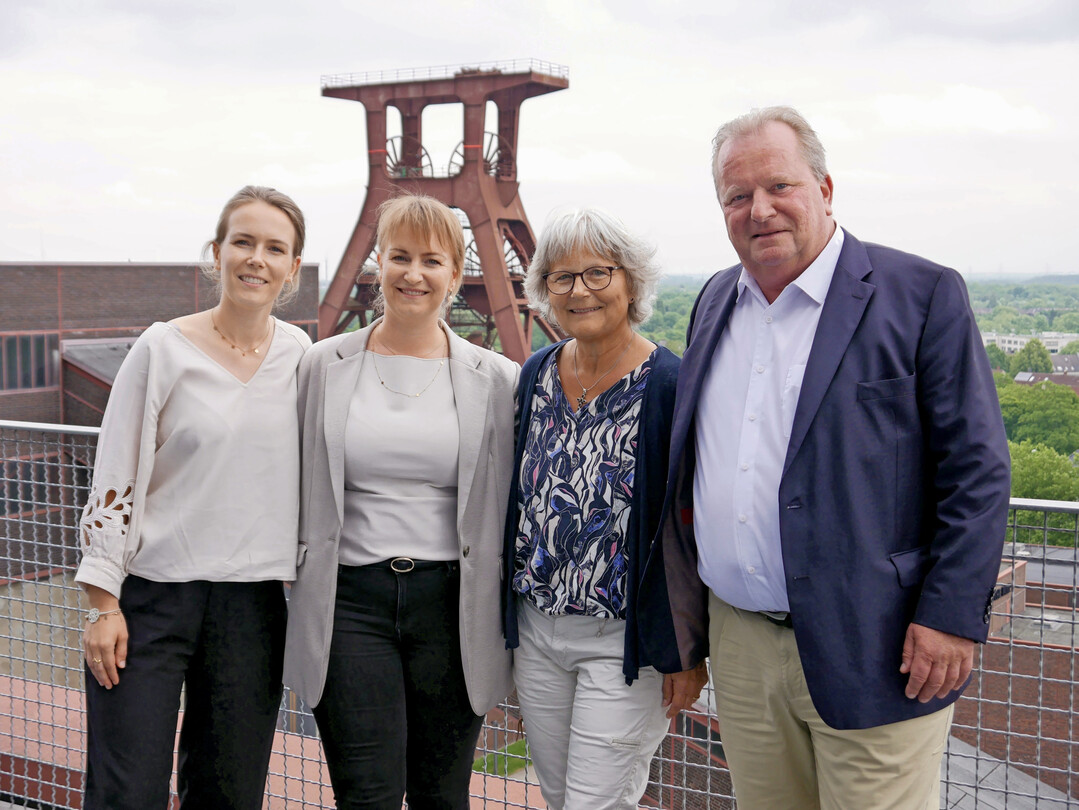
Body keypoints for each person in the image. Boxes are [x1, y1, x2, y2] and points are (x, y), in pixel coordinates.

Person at [640, 106, 1011, 809]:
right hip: (742, 644)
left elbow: (977, 470)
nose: (759, 210)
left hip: (879, 642)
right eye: (736, 196)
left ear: (825, 188)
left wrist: (952, 615)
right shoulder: (715, 299)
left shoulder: (921, 294)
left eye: (778, 186)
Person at [76, 185, 311, 809]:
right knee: (127, 792)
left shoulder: (302, 359)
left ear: (291, 269)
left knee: (229, 794)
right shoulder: (162, 348)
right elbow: (114, 475)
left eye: (274, 248)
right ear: (216, 252)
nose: (256, 258)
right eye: (243, 242)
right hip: (152, 599)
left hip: (254, 606)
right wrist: (104, 605)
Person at [282, 194, 517, 810]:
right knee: (368, 794)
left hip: (453, 607)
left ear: (456, 270)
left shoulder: (496, 379)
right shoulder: (321, 365)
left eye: (432, 260)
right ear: (377, 264)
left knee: (443, 794)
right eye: (400, 257)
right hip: (349, 602)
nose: (414, 274)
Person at [503, 208, 708, 810]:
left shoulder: (671, 383)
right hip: (537, 630)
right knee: (559, 793)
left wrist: (686, 652)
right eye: (562, 278)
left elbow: (692, 527)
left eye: (598, 273)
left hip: (624, 644)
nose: (580, 290)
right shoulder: (537, 373)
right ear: (545, 291)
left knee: (598, 802)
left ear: (631, 282)